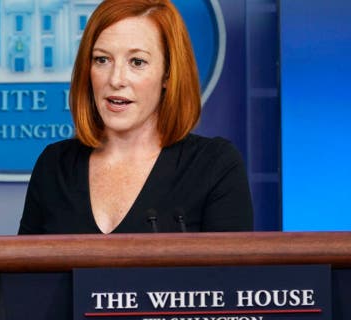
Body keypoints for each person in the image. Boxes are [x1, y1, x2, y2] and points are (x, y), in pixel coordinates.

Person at [18, 0, 253, 234]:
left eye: (137, 62)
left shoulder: (215, 166)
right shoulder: (54, 165)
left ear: (168, 75)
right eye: (102, 59)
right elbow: (21, 269)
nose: (115, 79)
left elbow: (231, 272)